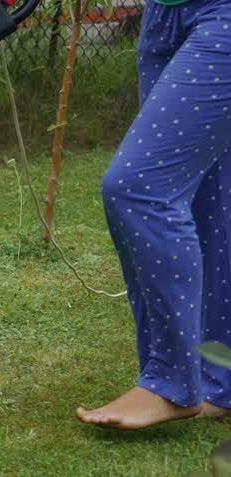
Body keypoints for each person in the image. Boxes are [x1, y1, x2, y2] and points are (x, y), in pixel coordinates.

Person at [76, 0, 231, 429]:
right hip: (166, 13)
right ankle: (220, 381)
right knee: (209, 201)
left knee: (140, 188)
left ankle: (171, 382)